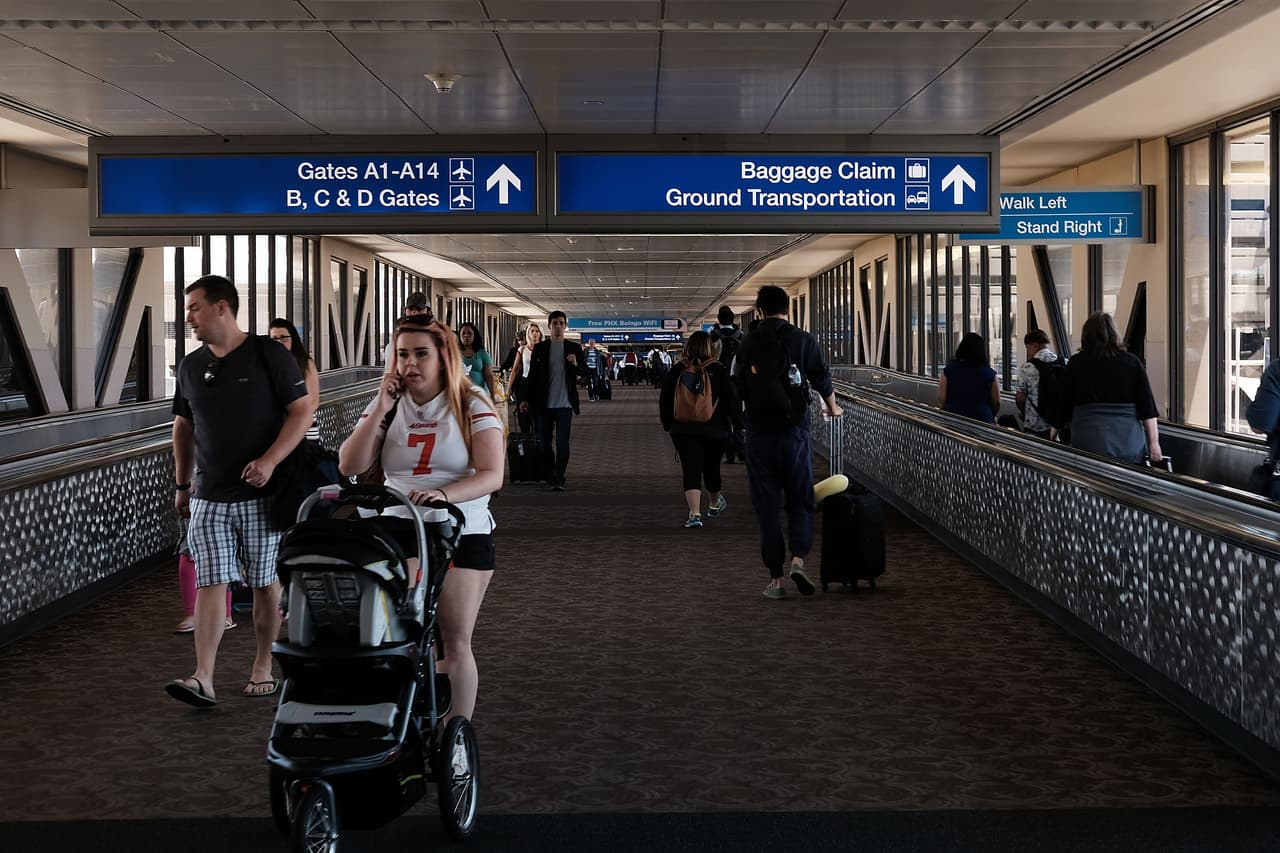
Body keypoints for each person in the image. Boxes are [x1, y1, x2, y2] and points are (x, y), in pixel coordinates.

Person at [338, 314, 504, 722]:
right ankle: (413, 716)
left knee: (453, 641)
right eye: (402, 355)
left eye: (420, 354)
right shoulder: (390, 405)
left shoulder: (470, 401)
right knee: (408, 634)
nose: (410, 363)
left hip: (460, 526)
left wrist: (442, 495)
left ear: (443, 356)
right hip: (399, 525)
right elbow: (349, 465)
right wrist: (381, 405)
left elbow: (491, 474)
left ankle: (455, 734)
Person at [165, 274, 315, 707]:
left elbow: (302, 412)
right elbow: (183, 426)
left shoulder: (268, 355)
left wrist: (270, 460)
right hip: (209, 494)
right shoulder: (191, 366)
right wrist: (182, 483)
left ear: (222, 308)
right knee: (212, 581)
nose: (188, 316)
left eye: (194, 307)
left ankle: (263, 663)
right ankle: (203, 677)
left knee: (265, 582)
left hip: (263, 495)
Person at [733, 285, 842, 600]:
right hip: (795, 433)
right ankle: (798, 559)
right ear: (788, 309)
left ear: (760, 311)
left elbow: (737, 387)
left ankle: (776, 580)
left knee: (766, 507)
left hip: (758, 436)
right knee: (800, 499)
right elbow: (822, 377)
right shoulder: (804, 340)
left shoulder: (748, 343)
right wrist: (833, 409)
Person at [659, 331, 741, 528]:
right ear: (710, 347)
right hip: (715, 429)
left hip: (683, 429)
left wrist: (668, 423)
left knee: (691, 468)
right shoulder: (718, 369)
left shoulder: (678, 369)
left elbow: (665, 398)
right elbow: (731, 399)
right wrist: (738, 425)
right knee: (712, 468)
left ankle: (695, 514)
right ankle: (713, 504)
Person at [1061, 311, 1163, 464]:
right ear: (1115, 334)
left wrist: (1053, 433)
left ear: (1086, 336)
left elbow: (1063, 403)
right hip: (1128, 442)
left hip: (1087, 441)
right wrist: (1154, 444)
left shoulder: (1076, 363)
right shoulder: (1131, 362)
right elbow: (1147, 407)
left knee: (1089, 482)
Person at [519, 310, 583, 491]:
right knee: (544, 443)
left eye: (561, 323)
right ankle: (550, 475)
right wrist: (525, 399)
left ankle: (559, 476)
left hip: (565, 404)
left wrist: (575, 364)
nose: (558, 326)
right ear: (549, 326)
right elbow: (531, 377)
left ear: (565, 326)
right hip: (543, 405)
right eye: (555, 323)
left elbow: (585, 374)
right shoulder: (541, 349)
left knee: (562, 443)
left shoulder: (574, 348)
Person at [173, 515, 235, 634]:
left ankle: (227, 614)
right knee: (189, 550)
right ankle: (191, 614)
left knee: (224, 553)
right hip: (198, 501)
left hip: (227, 502)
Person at [269, 317, 321, 441]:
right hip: (277, 429)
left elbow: (313, 401)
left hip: (304, 427)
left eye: (284, 337)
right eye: (274, 338)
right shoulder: (268, 365)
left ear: (293, 339)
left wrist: (295, 423)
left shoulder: (305, 363)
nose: (279, 342)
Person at [938, 332, 1000, 423]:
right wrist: (990, 415)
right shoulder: (989, 373)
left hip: (953, 420)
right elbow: (996, 402)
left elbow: (941, 398)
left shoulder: (949, 370)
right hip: (982, 420)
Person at [711, 306, 747, 463]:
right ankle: (742, 451)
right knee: (738, 419)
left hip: (717, 383)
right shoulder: (742, 336)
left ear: (719, 320)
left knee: (722, 418)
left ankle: (728, 453)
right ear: (733, 319)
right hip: (737, 383)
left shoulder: (712, 336)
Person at [1015, 329, 1062, 439]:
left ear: (1034, 345)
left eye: (1027, 347)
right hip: (1058, 425)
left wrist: (1025, 413)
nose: (1028, 351)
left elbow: (1020, 399)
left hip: (1035, 424)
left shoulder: (1027, 367)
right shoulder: (1064, 362)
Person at [382, 291, 433, 367]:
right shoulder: (395, 342)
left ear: (428, 312)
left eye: (419, 309)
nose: (414, 312)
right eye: (411, 309)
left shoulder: (436, 338)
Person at [510, 322, 542, 434]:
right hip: (524, 384)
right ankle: (526, 439)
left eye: (537, 331)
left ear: (540, 334)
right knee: (524, 416)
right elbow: (514, 370)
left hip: (539, 385)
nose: (534, 333)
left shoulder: (544, 349)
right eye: (532, 331)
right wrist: (509, 387)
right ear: (528, 334)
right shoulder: (522, 349)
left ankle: (538, 440)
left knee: (538, 416)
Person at [457, 322, 498, 398]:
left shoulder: (482, 353)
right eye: (463, 333)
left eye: (470, 333)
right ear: (459, 336)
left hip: (480, 395)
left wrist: (492, 395)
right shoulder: (454, 353)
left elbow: (489, 376)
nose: (466, 336)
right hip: (460, 395)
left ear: (474, 335)